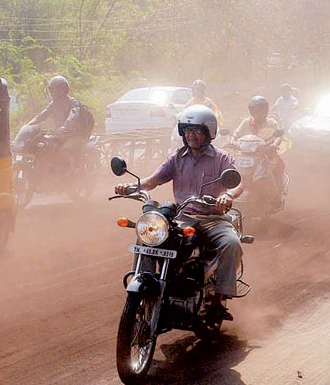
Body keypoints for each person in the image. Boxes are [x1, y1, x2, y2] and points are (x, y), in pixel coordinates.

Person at [114, 104, 244, 324]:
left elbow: (237, 183)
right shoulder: (177, 157)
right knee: (147, 232)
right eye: (186, 129)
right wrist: (132, 186)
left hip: (212, 219)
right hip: (182, 216)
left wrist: (228, 196)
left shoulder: (222, 158)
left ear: (209, 132)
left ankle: (219, 300)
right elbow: (153, 180)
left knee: (232, 243)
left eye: (196, 130)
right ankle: (143, 281)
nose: (190, 134)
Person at [233, 95, 288, 209]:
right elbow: (235, 135)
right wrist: (233, 142)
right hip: (247, 157)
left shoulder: (271, 122)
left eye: (263, 108)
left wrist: (274, 144)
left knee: (274, 170)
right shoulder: (246, 122)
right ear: (252, 110)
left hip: (266, 156)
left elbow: (279, 135)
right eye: (258, 108)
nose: (261, 111)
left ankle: (275, 196)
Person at [27, 75, 91, 168]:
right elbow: (42, 115)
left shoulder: (73, 102)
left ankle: (74, 172)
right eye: (51, 90)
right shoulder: (53, 104)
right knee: (45, 148)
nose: (52, 93)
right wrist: (28, 125)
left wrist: (64, 127)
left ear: (63, 90)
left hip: (76, 136)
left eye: (55, 90)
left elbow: (73, 116)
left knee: (63, 151)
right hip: (60, 135)